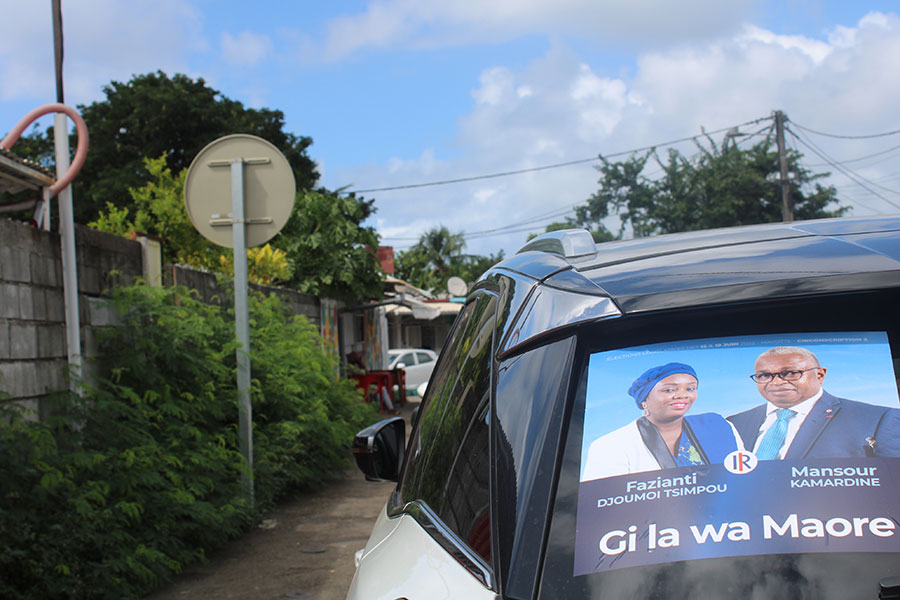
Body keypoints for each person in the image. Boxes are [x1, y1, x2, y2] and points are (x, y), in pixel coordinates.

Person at [728, 346, 900, 459]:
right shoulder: (733, 423)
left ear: (820, 375)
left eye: (790, 373)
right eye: (764, 376)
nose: (776, 382)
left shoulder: (878, 419)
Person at [582, 362, 743, 481]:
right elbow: (606, 504)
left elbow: (745, 478)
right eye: (669, 390)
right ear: (644, 399)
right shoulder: (611, 445)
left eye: (690, 388)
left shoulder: (719, 426)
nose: (682, 395)